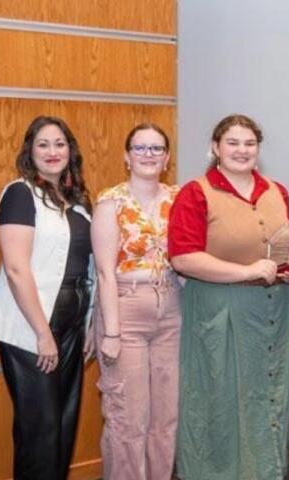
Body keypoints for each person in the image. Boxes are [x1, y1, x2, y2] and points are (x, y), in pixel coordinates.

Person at [168, 114, 289, 480]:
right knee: (219, 403)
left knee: (269, 400)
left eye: (249, 143)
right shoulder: (196, 193)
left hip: (272, 317)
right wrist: (246, 272)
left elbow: (285, 245)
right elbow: (183, 257)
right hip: (219, 314)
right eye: (232, 143)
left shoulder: (277, 191)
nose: (241, 150)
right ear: (215, 148)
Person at [0, 116, 94, 480]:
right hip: (32, 329)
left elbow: (87, 266)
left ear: (70, 151)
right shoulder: (20, 193)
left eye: (59, 143)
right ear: (30, 151)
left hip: (72, 328)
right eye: (42, 144)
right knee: (40, 432)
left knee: (63, 426)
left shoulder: (77, 201)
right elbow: (16, 269)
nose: (52, 151)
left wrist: (91, 323)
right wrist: (42, 333)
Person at [92, 123, 181, 480]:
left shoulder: (178, 199)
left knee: (165, 417)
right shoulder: (110, 201)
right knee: (128, 417)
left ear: (167, 157)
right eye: (141, 148)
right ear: (126, 156)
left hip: (172, 309)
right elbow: (103, 272)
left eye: (156, 149)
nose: (149, 155)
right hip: (125, 312)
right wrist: (110, 333)